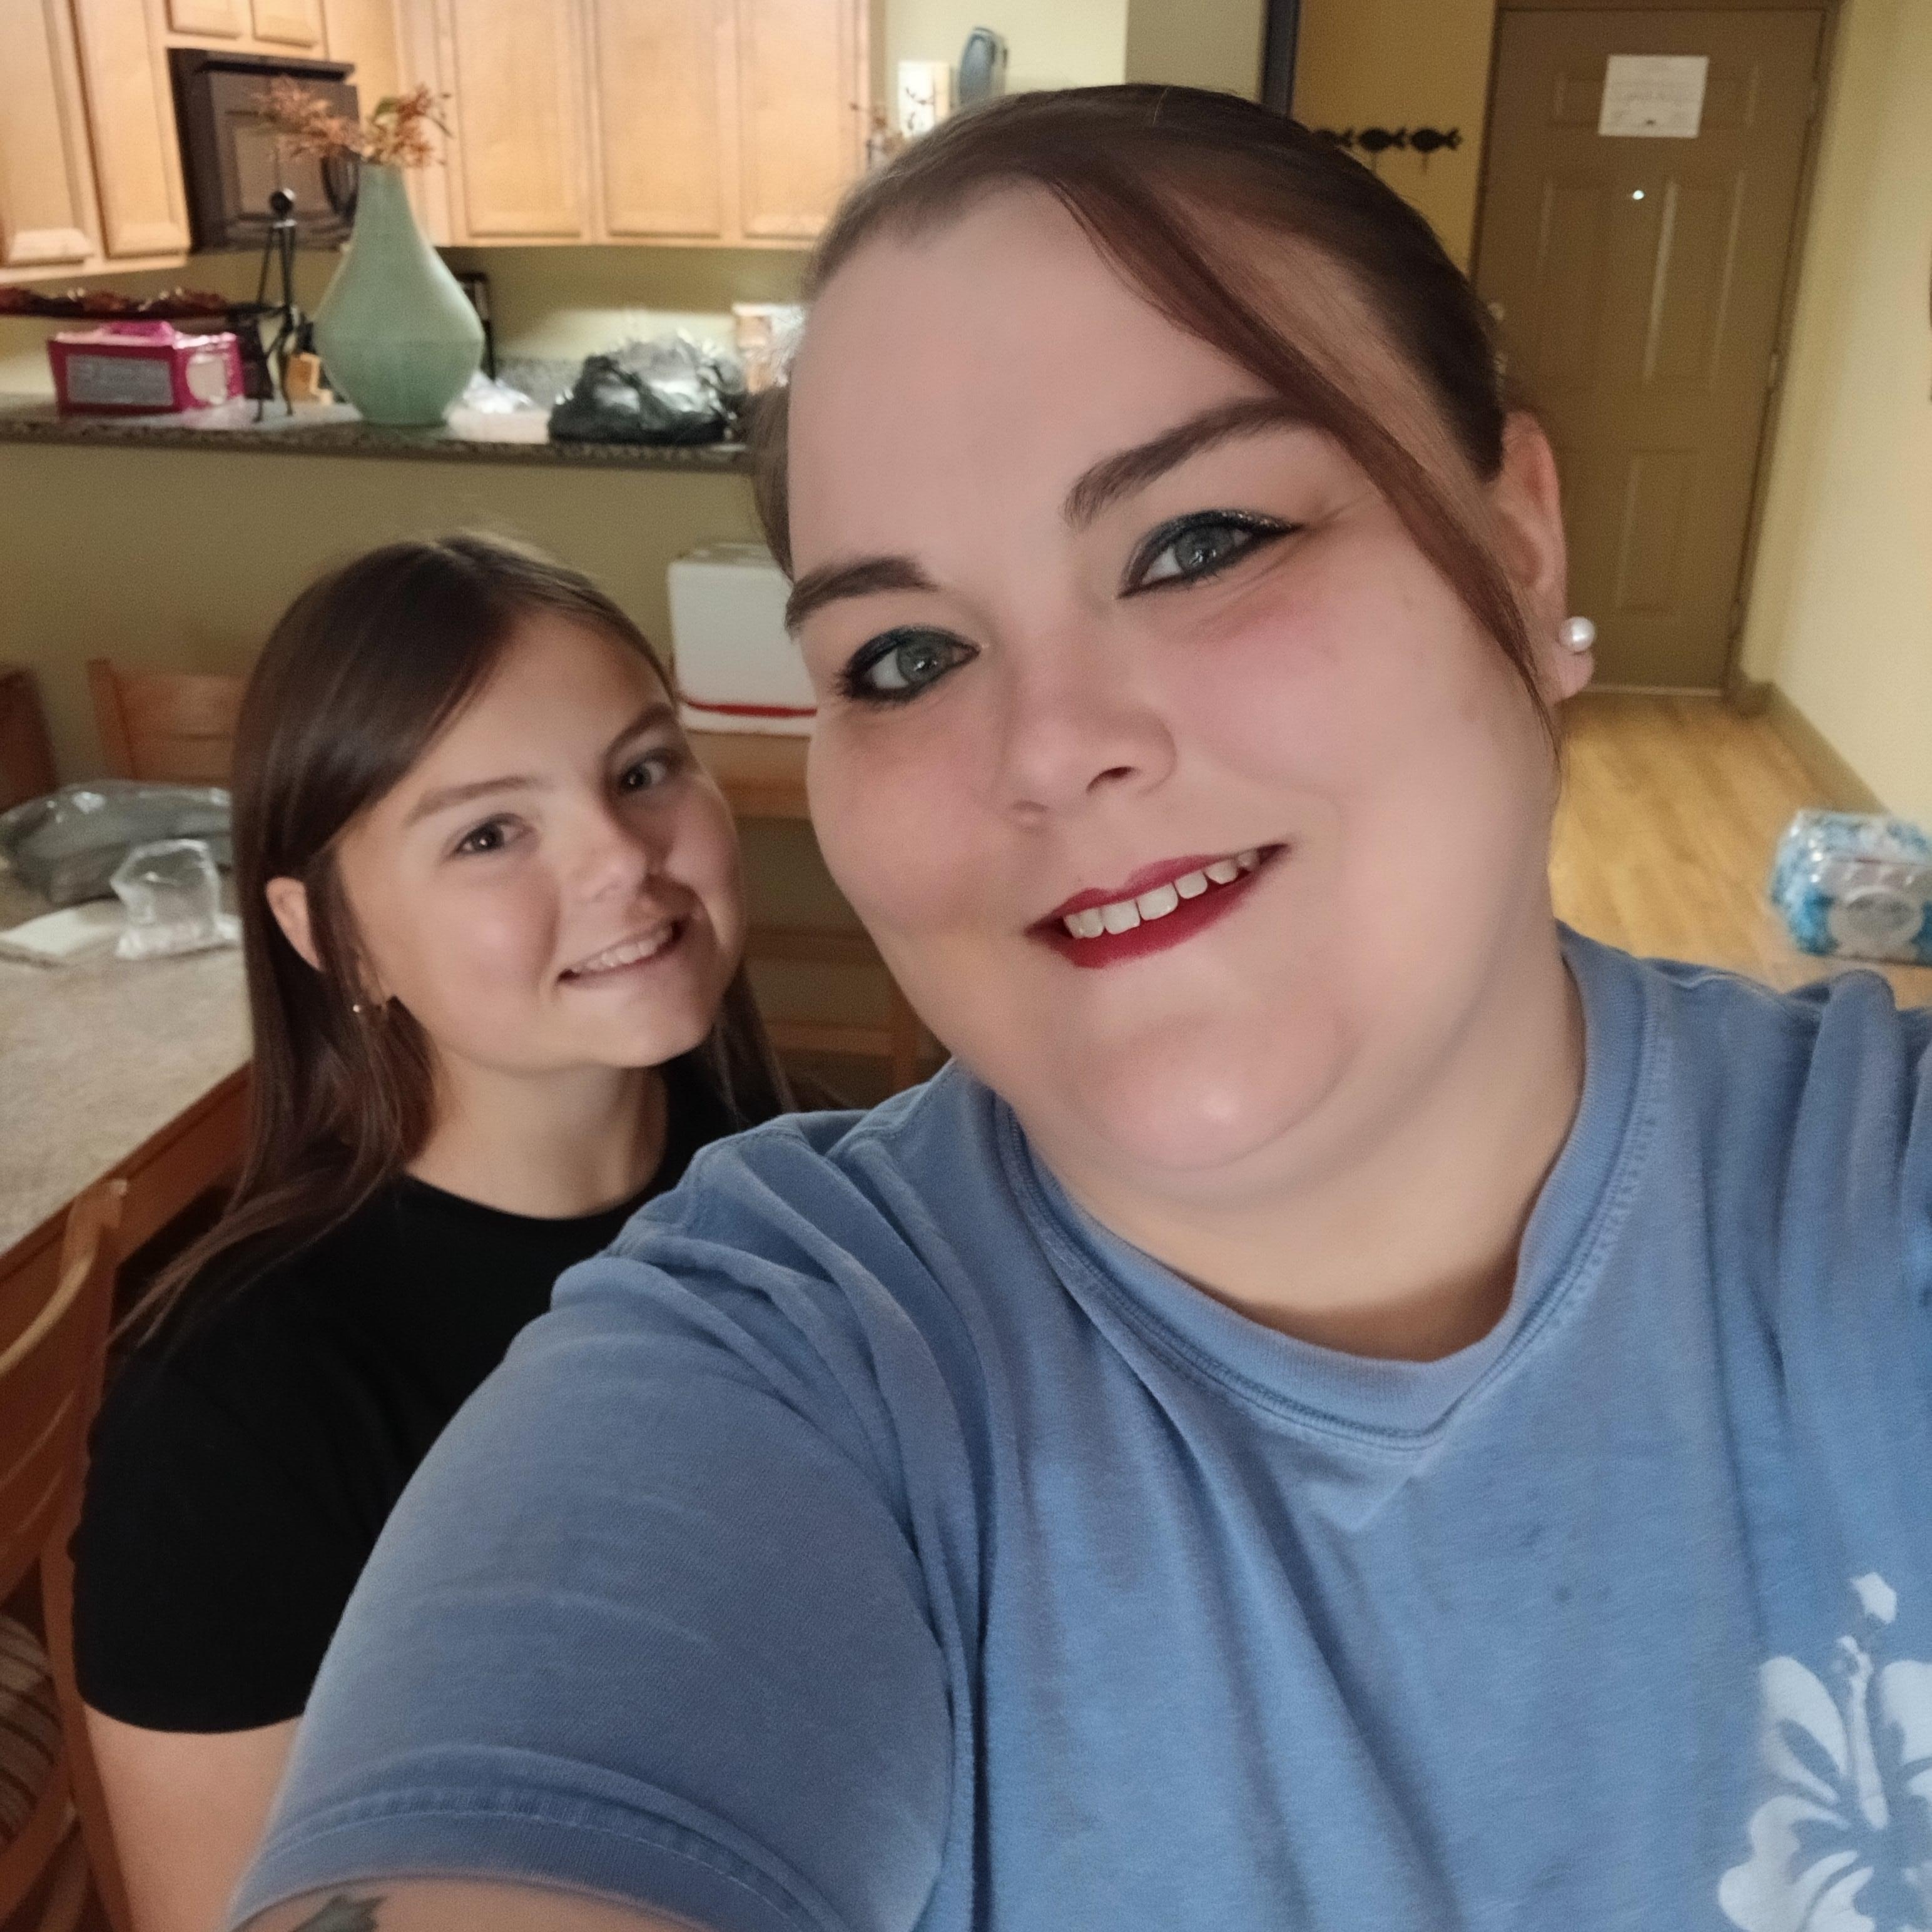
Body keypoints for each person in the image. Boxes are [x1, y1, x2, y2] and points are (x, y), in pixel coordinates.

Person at [232, 88, 1931, 1932]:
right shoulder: (776, 1370)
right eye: (905, 656)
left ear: (1519, 550)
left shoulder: (1873, 1204)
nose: (1047, 747)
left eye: (1199, 542)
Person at [71, 534, 787, 1932]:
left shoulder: (825, 1207)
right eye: (488, 834)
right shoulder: (231, 1411)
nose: (620, 858)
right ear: (332, 937)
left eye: (642, 769)